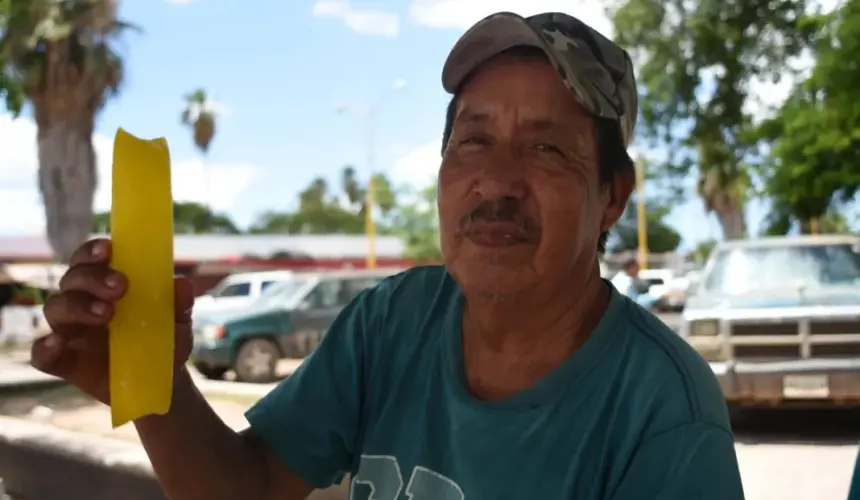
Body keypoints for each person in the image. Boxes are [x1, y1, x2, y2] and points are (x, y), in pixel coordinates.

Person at [31, 11, 744, 500]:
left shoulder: (663, 415)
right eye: (473, 140)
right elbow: (247, 488)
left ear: (612, 197)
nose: (495, 180)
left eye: (547, 148)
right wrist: (154, 385)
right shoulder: (391, 324)